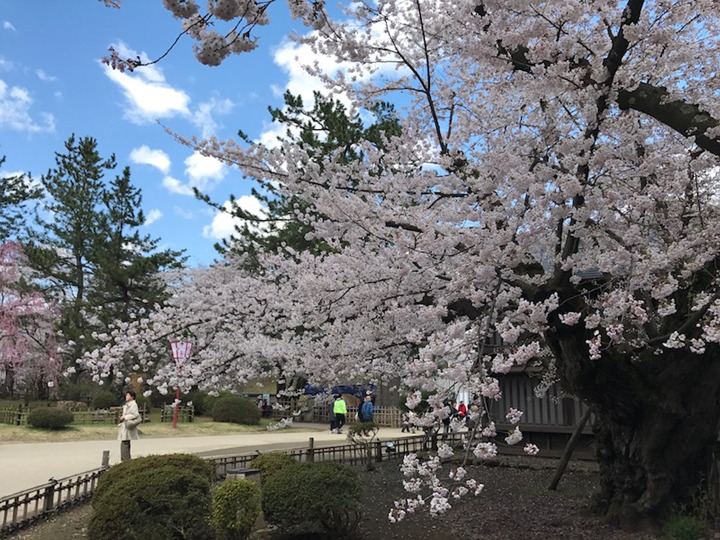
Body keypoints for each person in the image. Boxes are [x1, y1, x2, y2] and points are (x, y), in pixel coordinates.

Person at [118, 390, 141, 461]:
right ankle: (125, 459)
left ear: (132, 397)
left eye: (128, 395)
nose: (126, 396)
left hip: (128, 425)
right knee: (125, 442)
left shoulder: (133, 404)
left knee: (125, 442)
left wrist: (125, 417)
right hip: (125, 425)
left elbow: (135, 414)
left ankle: (125, 460)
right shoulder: (127, 405)